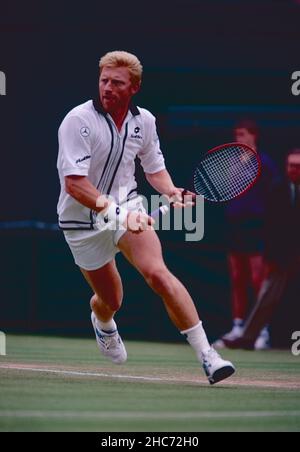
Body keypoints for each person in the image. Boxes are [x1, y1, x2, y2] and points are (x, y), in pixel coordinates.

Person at [56, 50, 235, 385]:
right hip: (82, 222)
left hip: (127, 205)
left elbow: (154, 170)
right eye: (103, 80)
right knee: (111, 300)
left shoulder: (145, 122)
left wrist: (170, 192)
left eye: (116, 82)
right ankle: (103, 320)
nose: (107, 87)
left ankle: (208, 357)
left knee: (158, 274)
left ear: (134, 87)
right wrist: (120, 214)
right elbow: (75, 185)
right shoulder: (78, 120)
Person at [223, 148, 300, 349]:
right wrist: (272, 255)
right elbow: (272, 225)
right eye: (291, 165)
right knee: (267, 294)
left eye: (298, 166)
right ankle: (249, 337)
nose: (293, 170)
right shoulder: (278, 188)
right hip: (284, 254)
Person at [214, 119, 280, 350]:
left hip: (256, 226)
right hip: (235, 226)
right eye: (236, 134)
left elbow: (274, 197)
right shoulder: (232, 162)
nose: (238, 138)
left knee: (257, 280)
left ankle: (262, 331)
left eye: (242, 134)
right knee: (237, 278)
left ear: (254, 136)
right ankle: (238, 327)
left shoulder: (266, 164)